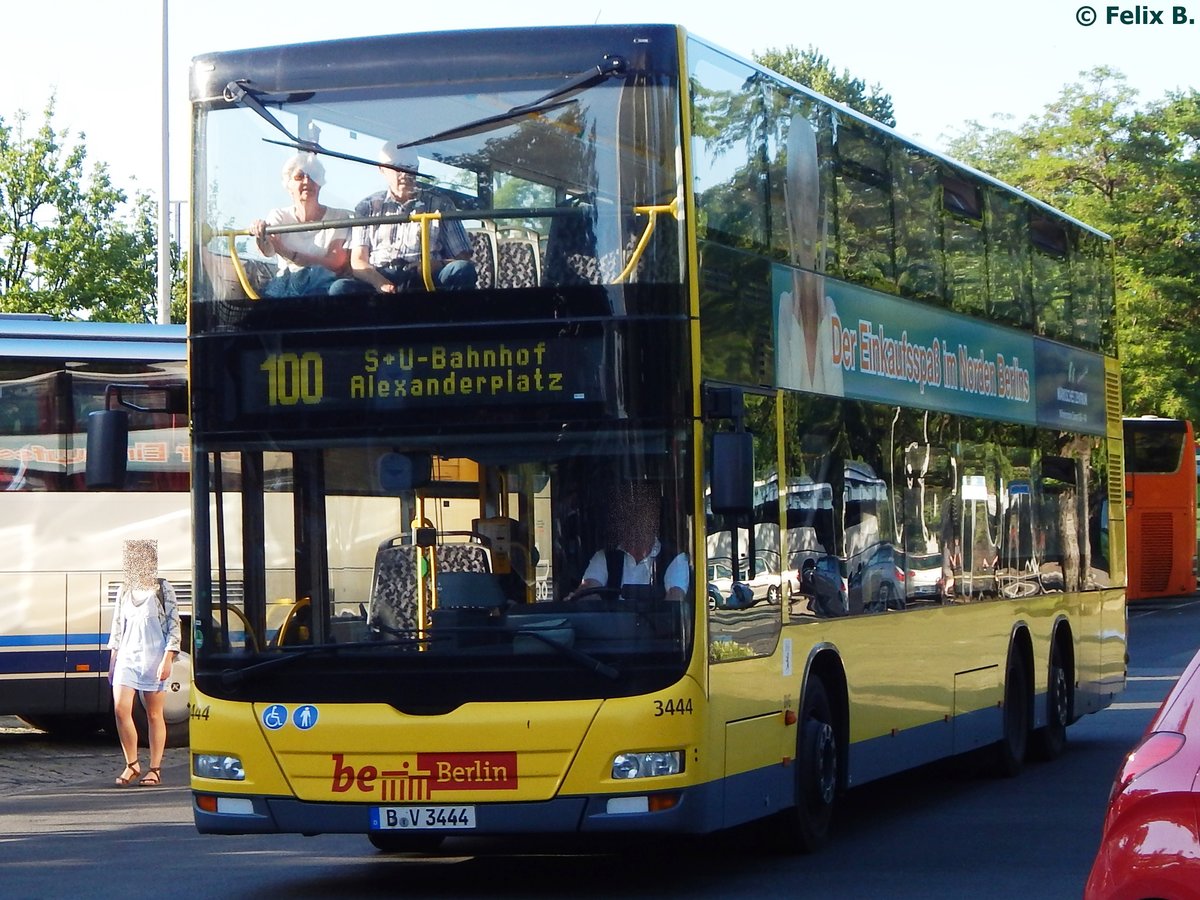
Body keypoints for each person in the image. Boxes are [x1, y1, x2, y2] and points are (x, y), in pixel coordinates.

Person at [331, 141, 476, 294]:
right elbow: (359, 261)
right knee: (340, 289)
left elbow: (463, 258)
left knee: (462, 270)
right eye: (397, 167)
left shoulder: (441, 204)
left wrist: (437, 264)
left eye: (410, 166)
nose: (404, 173)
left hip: (426, 279)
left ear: (417, 168)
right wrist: (379, 282)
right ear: (382, 169)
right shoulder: (366, 208)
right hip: (380, 277)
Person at [108, 539, 181, 787]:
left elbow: (174, 625)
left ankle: (155, 768)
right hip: (128, 655)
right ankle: (131, 764)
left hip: (154, 655)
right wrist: (113, 660)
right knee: (121, 708)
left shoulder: (162, 588)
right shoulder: (124, 590)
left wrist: (168, 658)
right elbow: (117, 626)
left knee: (153, 713)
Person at [251, 153, 352, 297]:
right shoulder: (279, 215)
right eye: (299, 176)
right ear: (288, 185)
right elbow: (269, 251)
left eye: (313, 176)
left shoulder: (338, 217)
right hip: (287, 289)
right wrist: (260, 235)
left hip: (323, 291)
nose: (307, 181)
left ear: (320, 183)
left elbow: (335, 262)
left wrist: (288, 253)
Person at [569, 481, 689, 602]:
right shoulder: (604, 558)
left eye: (642, 515)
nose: (635, 523)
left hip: (656, 621)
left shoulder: (675, 558)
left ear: (654, 521)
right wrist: (585, 598)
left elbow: (675, 598)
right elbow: (589, 588)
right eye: (629, 515)